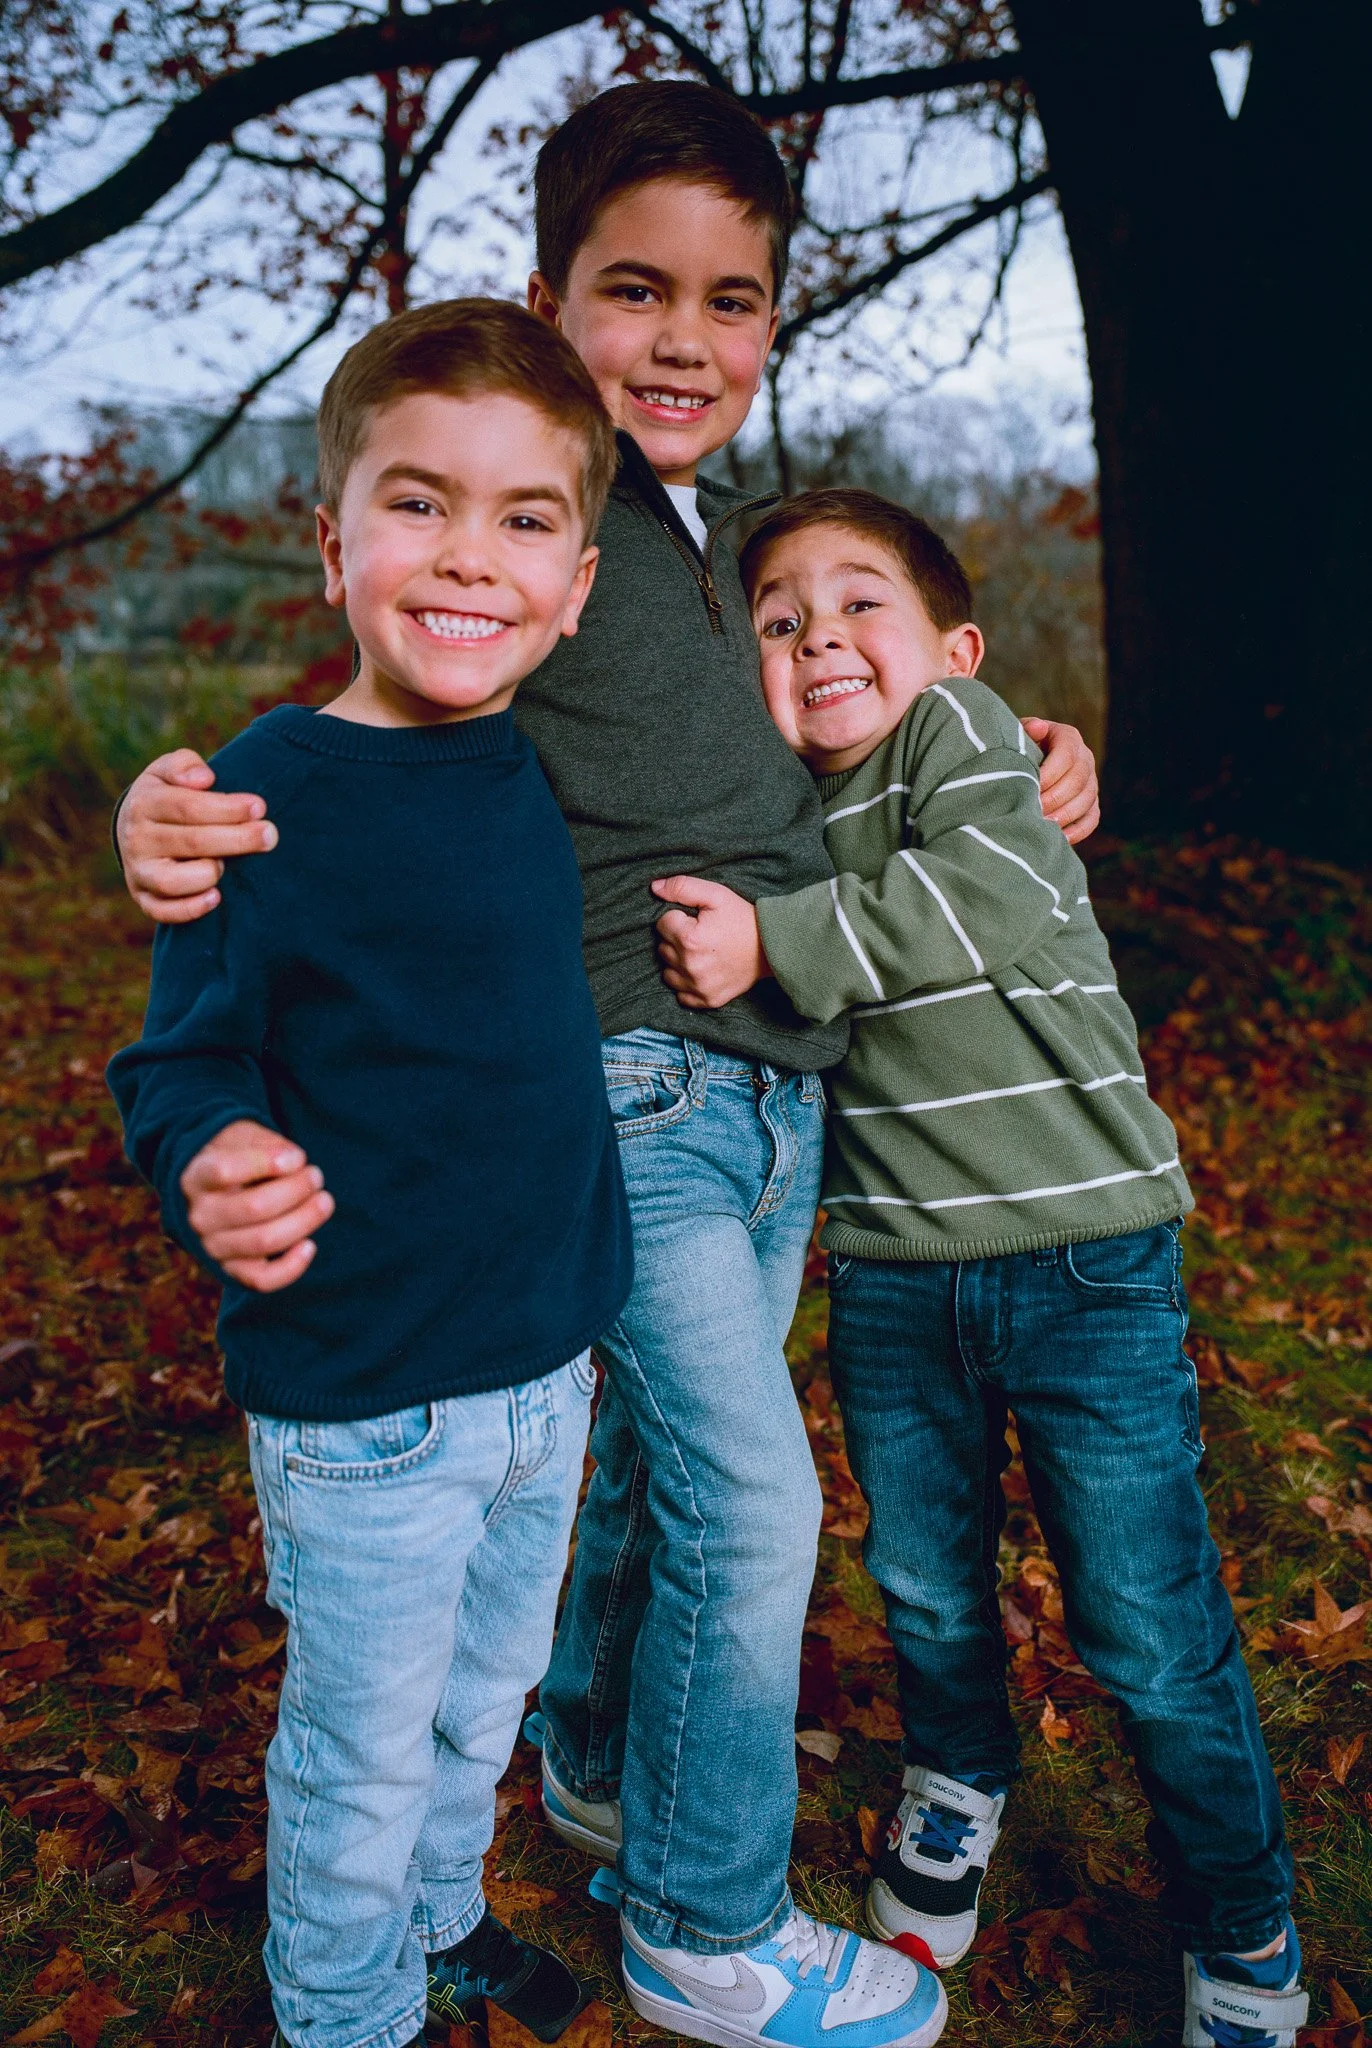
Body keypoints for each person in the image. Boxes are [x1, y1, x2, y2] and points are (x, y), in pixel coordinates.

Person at [111, 84, 1102, 2048]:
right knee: (753, 1507)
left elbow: (782, 778)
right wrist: (170, 808)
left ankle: (575, 1768)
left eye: (729, 302)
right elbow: (380, 678)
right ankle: (700, 1925)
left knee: (635, 1489)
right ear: (547, 297)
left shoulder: (681, 545)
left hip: (748, 1094)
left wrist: (1006, 753)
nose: (681, 339)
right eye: (630, 290)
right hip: (629, 1087)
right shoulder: (521, 513)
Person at [653, 486, 1306, 2048]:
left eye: (858, 601)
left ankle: (1246, 1916)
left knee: (1144, 1618)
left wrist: (776, 944)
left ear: (954, 646)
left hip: (1083, 1256)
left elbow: (990, 897)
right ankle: (959, 1782)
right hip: (892, 1276)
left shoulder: (967, 743)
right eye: (780, 620)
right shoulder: (779, 813)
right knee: (928, 1586)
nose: (818, 635)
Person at [108, 299, 635, 2048]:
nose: (468, 555)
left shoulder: (541, 765)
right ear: (335, 545)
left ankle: (441, 1918)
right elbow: (179, 1057)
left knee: (486, 1709)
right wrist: (217, 1148)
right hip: (365, 1407)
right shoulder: (263, 796)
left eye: (525, 519)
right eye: (419, 504)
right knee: (359, 1744)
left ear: (571, 584)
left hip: (545, 1374)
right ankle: (346, 2014)